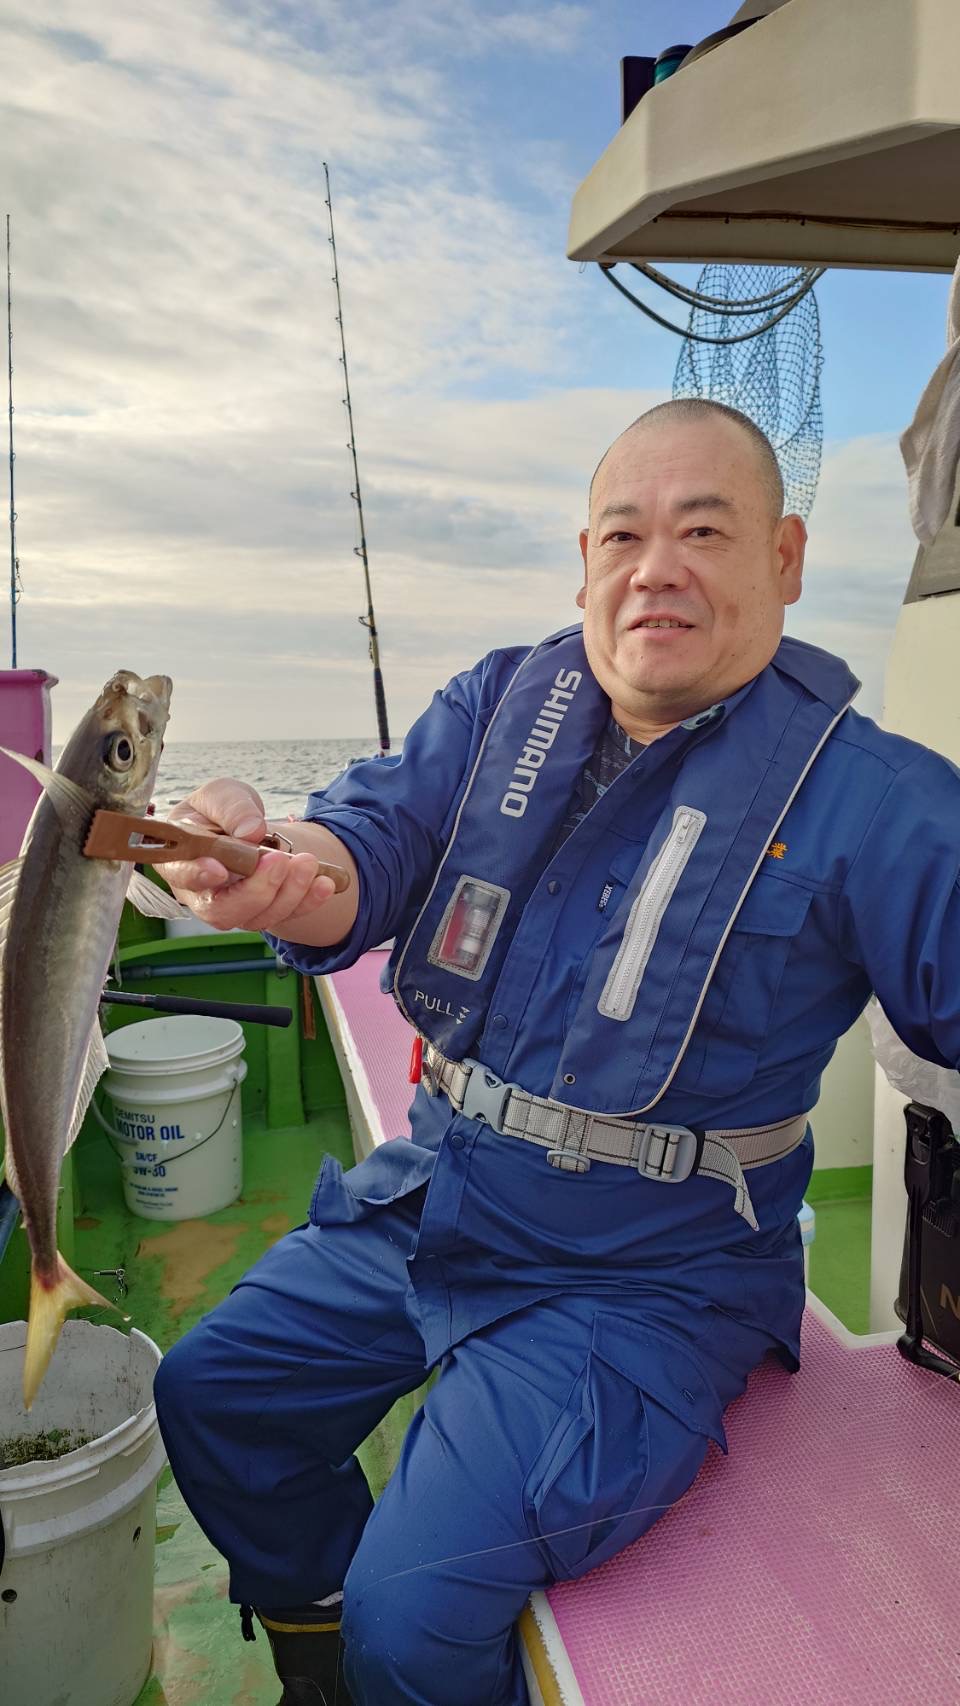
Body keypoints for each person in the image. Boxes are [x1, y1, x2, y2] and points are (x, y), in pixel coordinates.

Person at [153, 399, 960, 1706]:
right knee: (214, 1393)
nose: (657, 569)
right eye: (625, 536)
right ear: (586, 563)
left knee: (414, 1617)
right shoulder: (498, 710)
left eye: (706, 532)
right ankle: (311, 1641)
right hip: (442, 1188)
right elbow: (362, 843)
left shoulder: (881, 804)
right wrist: (279, 870)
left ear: (787, 559)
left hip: (649, 1277)